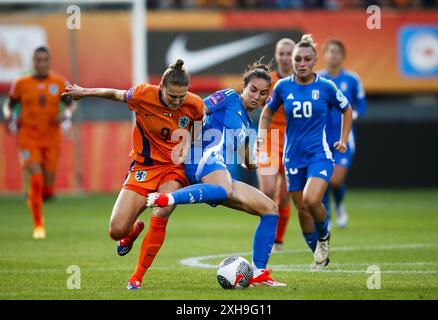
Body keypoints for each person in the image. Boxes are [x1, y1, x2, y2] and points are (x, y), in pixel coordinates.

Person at [62, 59, 204, 290]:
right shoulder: (142, 94)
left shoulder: (194, 105)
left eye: (182, 96)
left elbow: (198, 128)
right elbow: (114, 94)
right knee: (116, 230)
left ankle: (136, 277)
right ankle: (134, 229)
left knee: (163, 208)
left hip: (174, 169)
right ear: (161, 88)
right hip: (144, 167)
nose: (177, 102)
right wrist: (84, 92)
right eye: (172, 96)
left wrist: (189, 142)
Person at [147, 61, 286, 287]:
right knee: (224, 188)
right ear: (243, 87)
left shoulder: (246, 122)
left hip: (218, 170)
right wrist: (185, 139)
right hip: (202, 159)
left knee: (270, 209)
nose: (256, 96)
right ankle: (167, 198)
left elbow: (246, 160)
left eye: (262, 93)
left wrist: (253, 159)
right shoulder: (229, 97)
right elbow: (197, 109)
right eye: (252, 90)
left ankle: (259, 273)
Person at [257, 34, 353, 271]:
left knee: (312, 200)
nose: (301, 63)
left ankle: (324, 237)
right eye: (297, 59)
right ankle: (319, 254)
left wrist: (342, 139)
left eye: (306, 59)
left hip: (319, 154)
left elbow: (347, 109)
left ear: (314, 61)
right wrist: (261, 134)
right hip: (292, 156)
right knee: (301, 208)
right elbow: (268, 112)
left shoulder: (326, 86)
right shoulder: (282, 86)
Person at [2, 46, 76, 239]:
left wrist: (66, 115)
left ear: (49, 62)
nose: (41, 63)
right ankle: (38, 226)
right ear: (33, 62)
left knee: (47, 189)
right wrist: (9, 117)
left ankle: (36, 195)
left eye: (45, 60)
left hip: (51, 138)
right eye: (38, 60)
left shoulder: (59, 82)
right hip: (28, 137)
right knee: (36, 178)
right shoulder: (21, 83)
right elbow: (8, 104)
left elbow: (71, 104)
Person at [318, 39, 367, 229]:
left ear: (343, 56)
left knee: (336, 180)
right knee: (321, 178)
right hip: (321, 137)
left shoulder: (352, 79)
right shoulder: (318, 79)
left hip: (343, 137)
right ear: (324, 55)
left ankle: (338, 205)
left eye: (337, 52)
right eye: (330, 51)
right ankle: (326, 216)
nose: (334, 55)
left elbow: (361, 105)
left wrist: (354, 114)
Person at [256, 38, 295, 252]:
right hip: (269, 141)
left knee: (285, 195)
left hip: (292, 143)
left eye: (289, 53)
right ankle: (266, 234)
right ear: (276, 55)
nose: (285, 58)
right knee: (268, 190)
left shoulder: (302, 83)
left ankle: (278, 240)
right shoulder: (268, 81)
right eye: (281, 53)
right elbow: (256, 104)